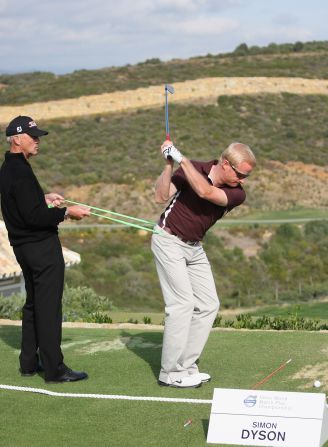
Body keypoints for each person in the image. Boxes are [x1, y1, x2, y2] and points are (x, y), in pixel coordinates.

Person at [151, 140, 256, 388]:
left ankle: (186, 366)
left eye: (246, 176)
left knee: (209, 305)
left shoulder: (237, 194)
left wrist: (181, 158)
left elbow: (206, 192)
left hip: (194, 248)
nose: (243, 180)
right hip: (167, 240)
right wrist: (169, 164)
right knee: (182, 304)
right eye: (240, 174)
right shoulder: (194, 168)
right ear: (226, 164)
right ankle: (170, 373)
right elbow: (160, 196)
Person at [0, 115, 91, 383]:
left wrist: (44, 199)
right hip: (41, 248)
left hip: (23, 249)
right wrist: (66, 213)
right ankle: (55, 369)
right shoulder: (20, 171)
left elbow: (24, 205)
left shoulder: (8, 169)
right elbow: (34, 217)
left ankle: (29, 362)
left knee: (34, 304)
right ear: (17, 139)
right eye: (33, 136)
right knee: (49, 307)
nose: (38, 141)